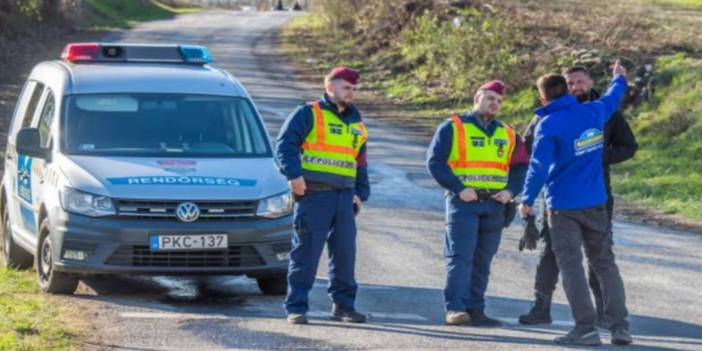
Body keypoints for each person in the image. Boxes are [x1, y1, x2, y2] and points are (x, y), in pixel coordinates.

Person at [519, 60, 632, 346]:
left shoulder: (548, 124)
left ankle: (585, 329)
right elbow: (613, 97)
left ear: (543, 98)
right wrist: (619, 77)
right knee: (605, 264)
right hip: (596, 202)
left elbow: (538, 167)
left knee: (571, 267)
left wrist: (527, 199)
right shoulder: (593, 112)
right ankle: (620, 327)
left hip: (564, 208)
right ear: (567, 92)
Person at [427, 80, 528, 326]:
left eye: (499, 101)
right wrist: (459, 188)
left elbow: (521, 166)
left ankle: (476, 309)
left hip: (494, 205)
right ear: (477, 98)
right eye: (491, 98)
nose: (495, 104)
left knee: (483, 260)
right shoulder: (453, 128)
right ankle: (456, 309)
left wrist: (511, 191)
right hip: (464, 204)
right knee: (460, 258)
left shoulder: (508, 133)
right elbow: (435, 162)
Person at [276, 67, 370, 325]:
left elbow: (360, 163)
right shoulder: (308, 113)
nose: (350, 93)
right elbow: (285, 146)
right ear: (330, 87)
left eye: (353, 89)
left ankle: (344, 307)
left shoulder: (357, 123)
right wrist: (294, 177)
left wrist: (361, 194)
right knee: (306, 254)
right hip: (313, 195)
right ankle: (296, 307)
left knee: (344, 255)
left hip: (344, 198)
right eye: (345, 87)